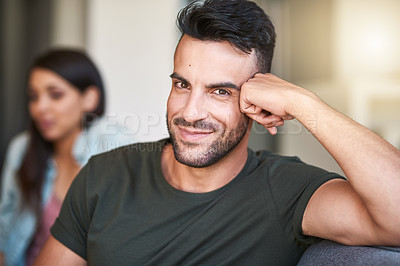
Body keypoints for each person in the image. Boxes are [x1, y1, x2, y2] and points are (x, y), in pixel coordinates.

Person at [36, 0, 400, 265]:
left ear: (258, 99)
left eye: (220, 91)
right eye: (182, 85)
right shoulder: (104, 175)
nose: (190, 112)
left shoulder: (286, 192)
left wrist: (305, 103)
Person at [0, 49, 134, 266]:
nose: (40, 108)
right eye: (33, 96)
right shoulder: (22, 149)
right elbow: (5, 231)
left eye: (55, 94)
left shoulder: (107, 141)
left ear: (89, 98)